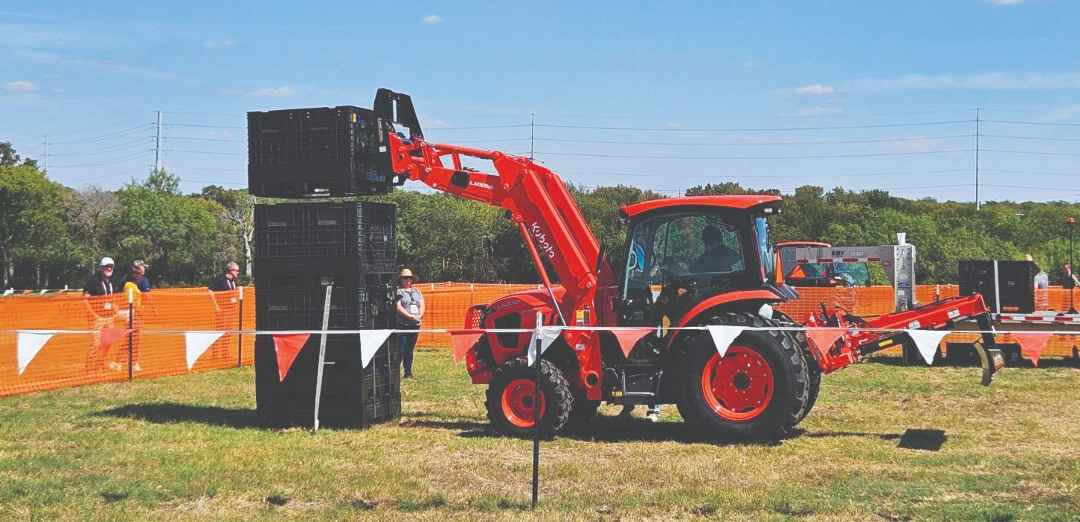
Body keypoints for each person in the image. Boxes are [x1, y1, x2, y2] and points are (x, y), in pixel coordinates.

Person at [395, 268, 424, 379]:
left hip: (415, 325)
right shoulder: (398, 291)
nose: (407, 280)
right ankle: (395, 373)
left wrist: (419, 316)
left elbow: (422, 304)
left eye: (409, 278)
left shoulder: (417, 291)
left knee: (410, 349)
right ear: (401, 280)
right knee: (401, 349)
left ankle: (408, 372)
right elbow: (398, 306)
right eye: (405, 278)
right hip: (403, 325)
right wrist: (409, 316)